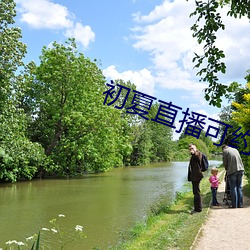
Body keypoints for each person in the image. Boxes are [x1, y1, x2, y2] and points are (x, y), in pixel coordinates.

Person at [188, 143, 204, 214]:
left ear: (195, 148)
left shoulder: (198, 154)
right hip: (195, 176)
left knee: (196, 192)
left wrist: (194, 152)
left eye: (192, 148)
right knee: (196, 192)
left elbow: (198, 158)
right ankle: (197, 208)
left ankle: (198, 209)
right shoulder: (194, 155)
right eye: (190, 149)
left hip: (196, 176)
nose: (191, 150)